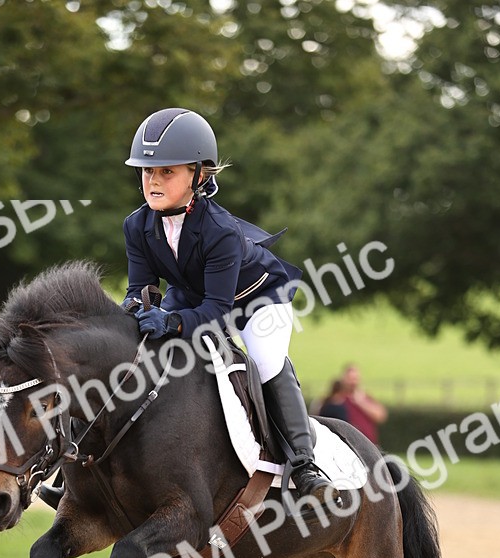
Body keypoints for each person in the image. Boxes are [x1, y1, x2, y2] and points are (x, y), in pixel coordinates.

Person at [121, 107, 333, 501]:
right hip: (193, 297)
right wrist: (134, 311)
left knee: (265, 363)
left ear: (199, 176)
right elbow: (140, 289)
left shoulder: (220, 231)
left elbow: (217, 312)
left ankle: (305, 465)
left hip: (255, 300)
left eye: (167, 171)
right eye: (147, 172)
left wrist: (171, 323)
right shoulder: (136, 225)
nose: (153, 180)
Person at [320, 365, 386, 446]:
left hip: (369, 444)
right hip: (348, 444)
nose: (353, 383)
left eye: (355, 379)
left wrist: (361, 402)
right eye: (350, 379)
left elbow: (380, 416)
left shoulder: (364, 397)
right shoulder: (337, 400)